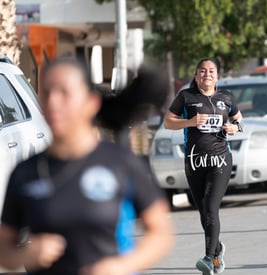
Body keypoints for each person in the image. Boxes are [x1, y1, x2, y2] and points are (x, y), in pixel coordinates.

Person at [0, 58, 174, 275]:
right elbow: (4, 248)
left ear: (90, 102)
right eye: (47, 92)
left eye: (64, 92)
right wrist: (24, 255)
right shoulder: (25, 172)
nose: (54, 101)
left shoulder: (120, 163)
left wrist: (121, 266)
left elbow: (160, 232)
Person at [164, 58, 242, 275]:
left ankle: (209, 258)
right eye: (202, 71)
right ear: (197, 75)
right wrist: (190, 122)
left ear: (217, 76)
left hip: (220, 160)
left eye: (211, 71)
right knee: (204, 213)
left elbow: (238, 118)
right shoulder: (186, 97)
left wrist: (235, 128)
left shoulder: (225, 97)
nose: (207, 75)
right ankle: (217, 249)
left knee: (210, 206)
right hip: (195, 161)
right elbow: (168, 122)